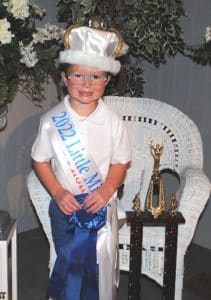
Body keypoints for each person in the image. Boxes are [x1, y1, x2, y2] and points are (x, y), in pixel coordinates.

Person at [31, 22, 131, 300]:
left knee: (99, 269)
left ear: (107, 80)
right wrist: (58, 192)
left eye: (96, 76)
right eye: (79, 75)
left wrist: (106, 190)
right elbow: (40, 161)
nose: (87, 84)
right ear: (64, 77)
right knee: (67, 264)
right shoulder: (52, 121)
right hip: (65, 208)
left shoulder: (113, 121)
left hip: (101, 206)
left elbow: (121, 163)